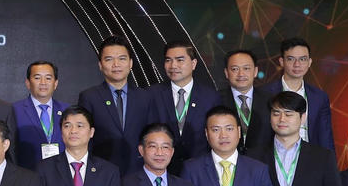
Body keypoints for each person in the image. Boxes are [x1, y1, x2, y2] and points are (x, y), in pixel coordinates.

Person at [78, 36, 153, 176]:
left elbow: (151, 135)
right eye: (109, 59)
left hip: (139, 172)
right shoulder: (89, 97)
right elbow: (85, 140)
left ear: (130, 63)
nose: (116, 64)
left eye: (122, 59)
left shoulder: (145, 97)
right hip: (102, 172)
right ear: (100, 65)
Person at [253, 37, 335, 152]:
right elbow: (259, 135)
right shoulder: (264, 93)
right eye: (291, 59)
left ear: (309, 62)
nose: (297, 64)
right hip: (275, 155)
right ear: (282, 62)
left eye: (303, 59)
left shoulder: (319, 97)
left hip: (309, 156)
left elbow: (325, 137)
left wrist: (329, 162)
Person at [151, 41, 221, 173]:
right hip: (162, 170)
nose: (173, 66)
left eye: (180, 60)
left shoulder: (210, 97)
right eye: (168, 60)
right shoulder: (151, 95)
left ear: (193, 64)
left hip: (200, 170)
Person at [12, 60, 68, 170]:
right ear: (28, 83)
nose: (43, 82)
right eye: (37, 78)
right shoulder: (14, 110)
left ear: (55, 83)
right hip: (28, 173)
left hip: (61, 173)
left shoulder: (67, 110)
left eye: (48, 78)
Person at [222, 49, 261, 152]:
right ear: (226, 73)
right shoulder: (215, 100)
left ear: (255, 71)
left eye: (246, 68)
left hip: (261, 159)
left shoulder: (269, 100)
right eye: (235, 69)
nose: (241, 74)